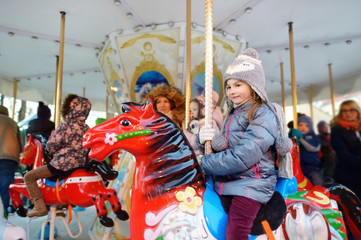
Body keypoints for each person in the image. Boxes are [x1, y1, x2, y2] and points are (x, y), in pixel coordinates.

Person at [198, 48, 292, 240]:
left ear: (254, 85)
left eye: (238, 85)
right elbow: (225, 146)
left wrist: (204, 163)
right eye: (229, 87)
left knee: (236, 229)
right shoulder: (234, 113)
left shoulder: (263, 113)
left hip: (252, 185)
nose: (232, 91)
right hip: (229, 181)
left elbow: (244, 155)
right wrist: (205, 140)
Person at [24, 94, 91, 217]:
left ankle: (39, 207)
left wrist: (52, 150)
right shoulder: (87, 128)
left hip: (62, 165)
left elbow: (52, 145)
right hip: (79, 166)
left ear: (69, 108)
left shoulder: (66, 124)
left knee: (29, 177)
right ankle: (60, 205)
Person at [330, 100, 361, 200]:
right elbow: (343, 154)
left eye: (352, 110)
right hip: (348, 174)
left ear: (357, 111)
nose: (348, 113)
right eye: (344, 111)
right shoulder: (337, 129)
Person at [0, 105, 23, 216]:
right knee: (5, 190)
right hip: (9, 159)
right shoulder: (13, 123)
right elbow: (21, 144)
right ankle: (3, 219)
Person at [296, 116, 324, 186]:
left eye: (306, 126)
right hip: (299, 167)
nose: (303, 127)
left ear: (310, 127)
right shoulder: (295, 137)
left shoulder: (314, 137)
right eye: (300, 125)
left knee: (317, 182)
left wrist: (302, 137)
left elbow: (313, 148)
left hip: (312, 167)